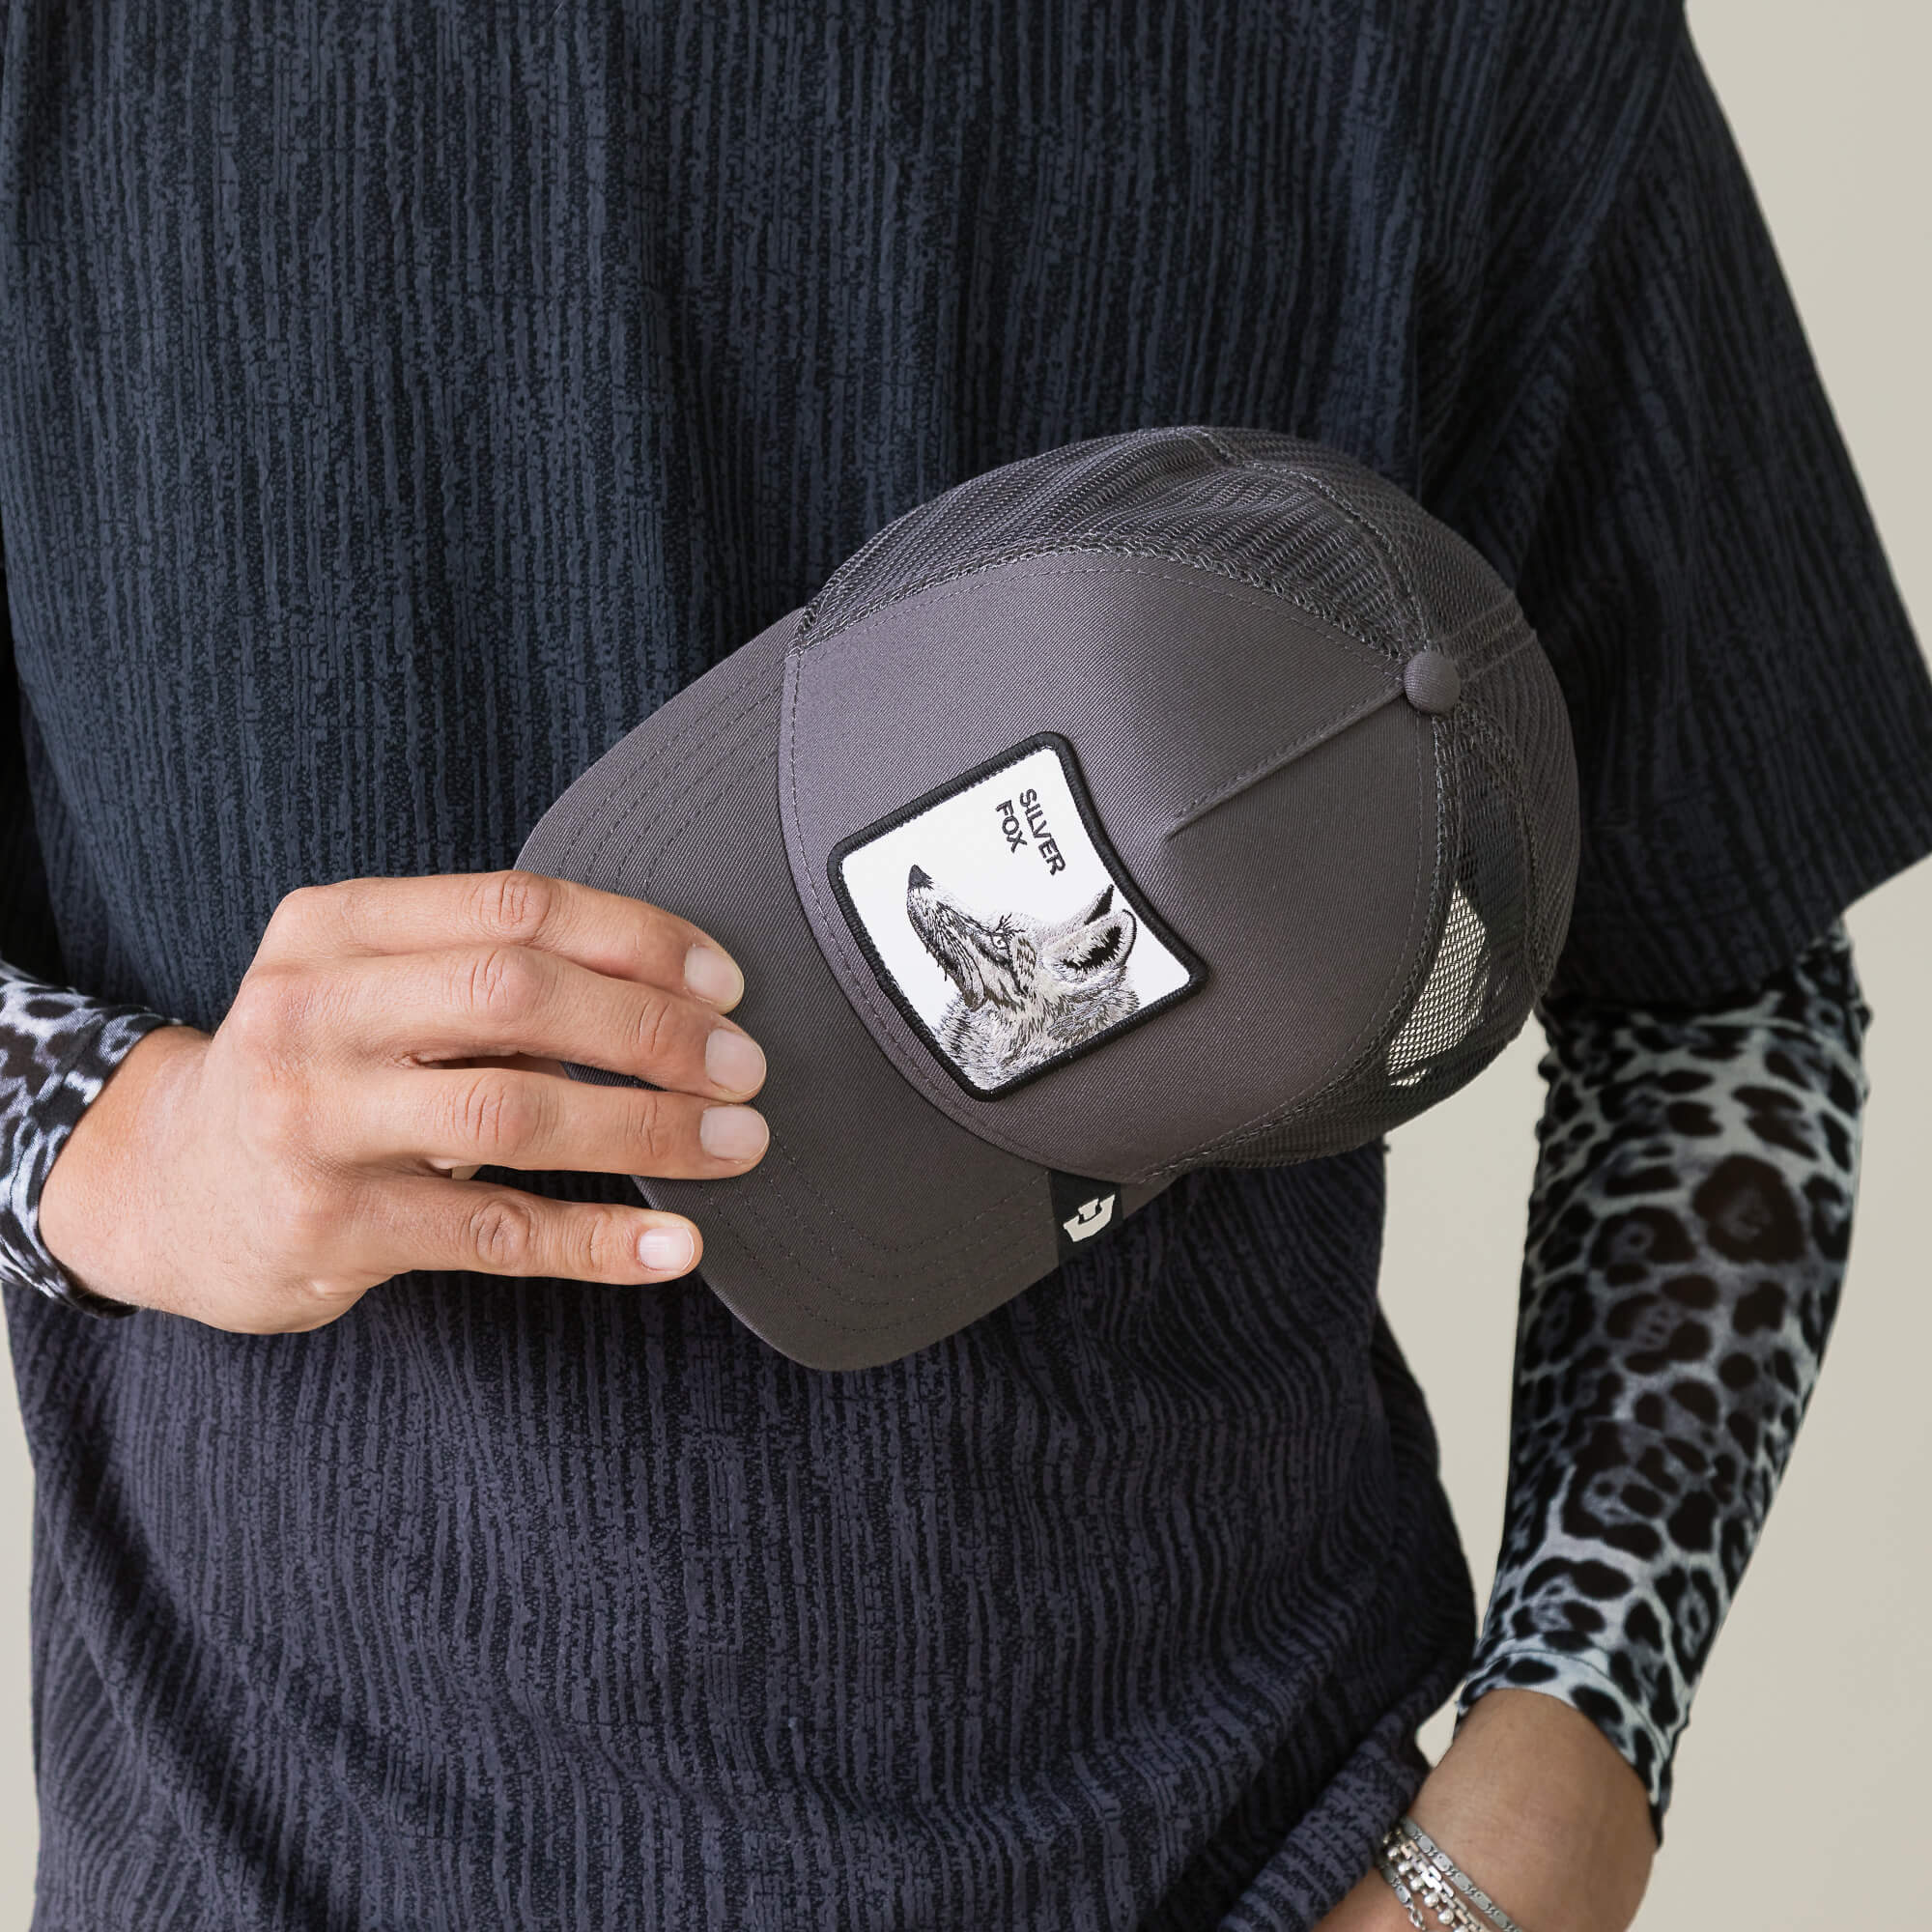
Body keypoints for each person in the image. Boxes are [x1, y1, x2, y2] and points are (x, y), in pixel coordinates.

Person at [2, 2, 1927, 1926]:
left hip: (1236, 1851)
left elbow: (1720, 981)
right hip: (250, 1863)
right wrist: (102, 1141)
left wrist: (1550, 1790)